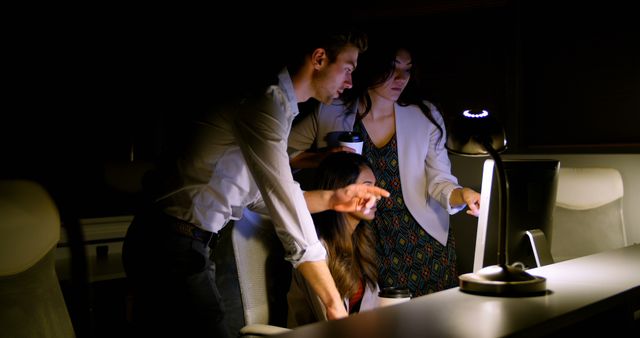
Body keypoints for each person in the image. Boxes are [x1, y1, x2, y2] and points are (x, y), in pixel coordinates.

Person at [122, 29, 390, 338]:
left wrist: (333, 199)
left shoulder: (279, 108)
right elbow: (288, 215)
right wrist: (334, 305)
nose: (350, 82)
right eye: (348, 68)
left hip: (183, 243)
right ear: (319, 58)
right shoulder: (264, 104)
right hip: (168, 244)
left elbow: (259, 200)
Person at [288, 35, 481, 297]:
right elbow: (285, 154)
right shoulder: (331, 111)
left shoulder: (424, 116)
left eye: (407, 70)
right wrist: (323, 157)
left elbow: (440, 181)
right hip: (357, 238)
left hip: (419, 239)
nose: (401, 79)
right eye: (393, 68)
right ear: (372, 67)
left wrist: (464, 195)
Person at [287, 152, 381, 328]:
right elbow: (330, 320)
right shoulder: (314, 250)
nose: (376, 196)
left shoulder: (360, 241)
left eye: (375, 187)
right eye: (367, 187)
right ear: (343, 189)